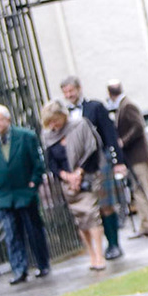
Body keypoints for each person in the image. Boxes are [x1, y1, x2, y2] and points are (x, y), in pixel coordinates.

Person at [0, 104, 50, 283]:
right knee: (11, 234)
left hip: (25, 192)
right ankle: (19, 269)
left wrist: (34, 182)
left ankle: (42, 264)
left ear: (8, 120)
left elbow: (37, 163)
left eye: (0, 120)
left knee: (33, 230)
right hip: (3, 196)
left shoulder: (26, 136)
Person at [59, 74, 124, 259]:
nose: (69, 95)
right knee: (88, 209)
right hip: (78, 166)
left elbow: (110, 135)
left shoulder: (95, 107)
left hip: (99, 161)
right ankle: (97, 251)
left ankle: (114, 245)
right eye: (66, 92)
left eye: (71, 91)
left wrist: (119, 162)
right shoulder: (63, 114)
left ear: (79, 89)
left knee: (106, 205)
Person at [41, 99, 108, 271]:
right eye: (50, 122)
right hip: (68, 184)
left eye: (56, 120)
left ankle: (100, 255)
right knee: (80, 220)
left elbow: (92, 149)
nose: (53, 125)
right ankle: (91, 255)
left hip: (87, 178)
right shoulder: (48, 136)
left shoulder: (80, 125)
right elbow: (51, 162)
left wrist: (79, 172)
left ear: (63, 115)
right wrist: (66, 176)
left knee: (92, 215)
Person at [108, 81, 148, 236]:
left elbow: (139, 126)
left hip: (138, 156)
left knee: (140, 191)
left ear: (109, 93)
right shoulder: (123, 106)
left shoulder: (127, 106)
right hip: (138, 156)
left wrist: (123, 141)